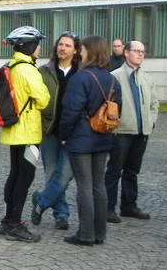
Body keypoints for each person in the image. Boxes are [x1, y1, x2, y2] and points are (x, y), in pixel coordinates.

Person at [58, 36, 122, 246]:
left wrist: (64, 136)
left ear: (90, 51)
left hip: (81, 138)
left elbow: (71, 111)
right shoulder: (112, 79)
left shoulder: (80, 78)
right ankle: (99, 232)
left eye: (83, 49)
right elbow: (117, 108)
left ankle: (85, 234)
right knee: (98, 185)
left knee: (84, 186)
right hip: (103, 136)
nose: (81, 53)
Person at [0, 26, 50, 241]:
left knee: (15, 174)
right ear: (29, 46)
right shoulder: (28, 70)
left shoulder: (11, 65)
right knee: (25, 177)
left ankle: (8, 219)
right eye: (37, 44)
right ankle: (15, 224)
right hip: (28, 132)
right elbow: (44, 99)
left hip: (13, 129)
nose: (39, 49)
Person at [31, 31, 81, 230]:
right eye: (61, 44)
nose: (63, 48)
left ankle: (41, 200)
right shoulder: (45, 70)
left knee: (65, 175)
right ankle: (61, 214)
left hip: (73, 132)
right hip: (50, 130)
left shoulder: (81, 72)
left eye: (68, 45)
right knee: (52, 174)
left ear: (75, 50)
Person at [105, 40, 159, 222]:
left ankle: (129, 205)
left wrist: (150, 122)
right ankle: (108, 207)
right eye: (136, 51)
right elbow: (108, 104)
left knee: (132, 171)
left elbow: (154, 104)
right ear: (126, 53)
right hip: (121, 131)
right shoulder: (115, 76)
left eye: (143, 52)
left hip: (141, 132)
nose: (140, 54)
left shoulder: (147, 78)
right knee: (114, 170)